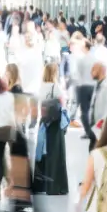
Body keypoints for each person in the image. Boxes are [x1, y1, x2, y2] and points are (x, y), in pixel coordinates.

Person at [33, 63, 70, 196]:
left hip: (44, 122)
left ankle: (42, 185)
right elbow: (63, 104)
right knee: (56, 154)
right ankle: (57, 186)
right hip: (55, 123)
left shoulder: (41, 87)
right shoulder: (56, 87)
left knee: (44, 153)